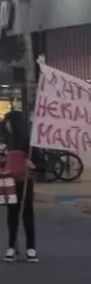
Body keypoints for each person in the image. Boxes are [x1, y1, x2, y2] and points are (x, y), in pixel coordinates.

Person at [1, 110, 37, 263]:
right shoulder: (3, 139)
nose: (7, 124)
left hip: (24, 181)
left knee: (27, 213)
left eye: (9, 121)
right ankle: (12, 246)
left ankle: (31, 247)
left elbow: (40, 162)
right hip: (8, 181)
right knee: (12, 214)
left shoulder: (27, 140)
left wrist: (32, 164)